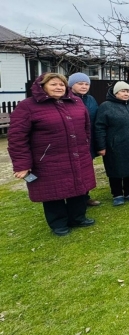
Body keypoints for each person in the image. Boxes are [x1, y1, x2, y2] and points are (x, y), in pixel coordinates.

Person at [8, 73, 96, 236]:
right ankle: (59, 223)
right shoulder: (27, 106)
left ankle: (78, 218)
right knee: (53, 192)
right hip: (47, 160)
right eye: (53, 84)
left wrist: (84, 146)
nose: (58, 88)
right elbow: (17, 137)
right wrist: (22, 164)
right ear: (42, 86)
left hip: (78, 155)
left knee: (79, 188)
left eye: (61, 85)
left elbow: (86, 128)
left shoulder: (76, 102)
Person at [95, 82, 129, 206]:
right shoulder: (106, 106)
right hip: (115, 145)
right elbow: (99, 127)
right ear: (115, 93)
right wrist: (101, 146)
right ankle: (117, 194)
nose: (126, 93)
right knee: (115, 169)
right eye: (122, 91)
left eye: (128, 91)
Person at [68, 72, 101, 207]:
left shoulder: (91, 100)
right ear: (71, 85)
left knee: (86, 170)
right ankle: (73, 199)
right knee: (73, 172)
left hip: (89, 141)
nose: (84, 86)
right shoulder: (66, 99)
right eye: (80, 83)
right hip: (73, 142)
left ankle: (85, 196)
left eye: (86, 84)